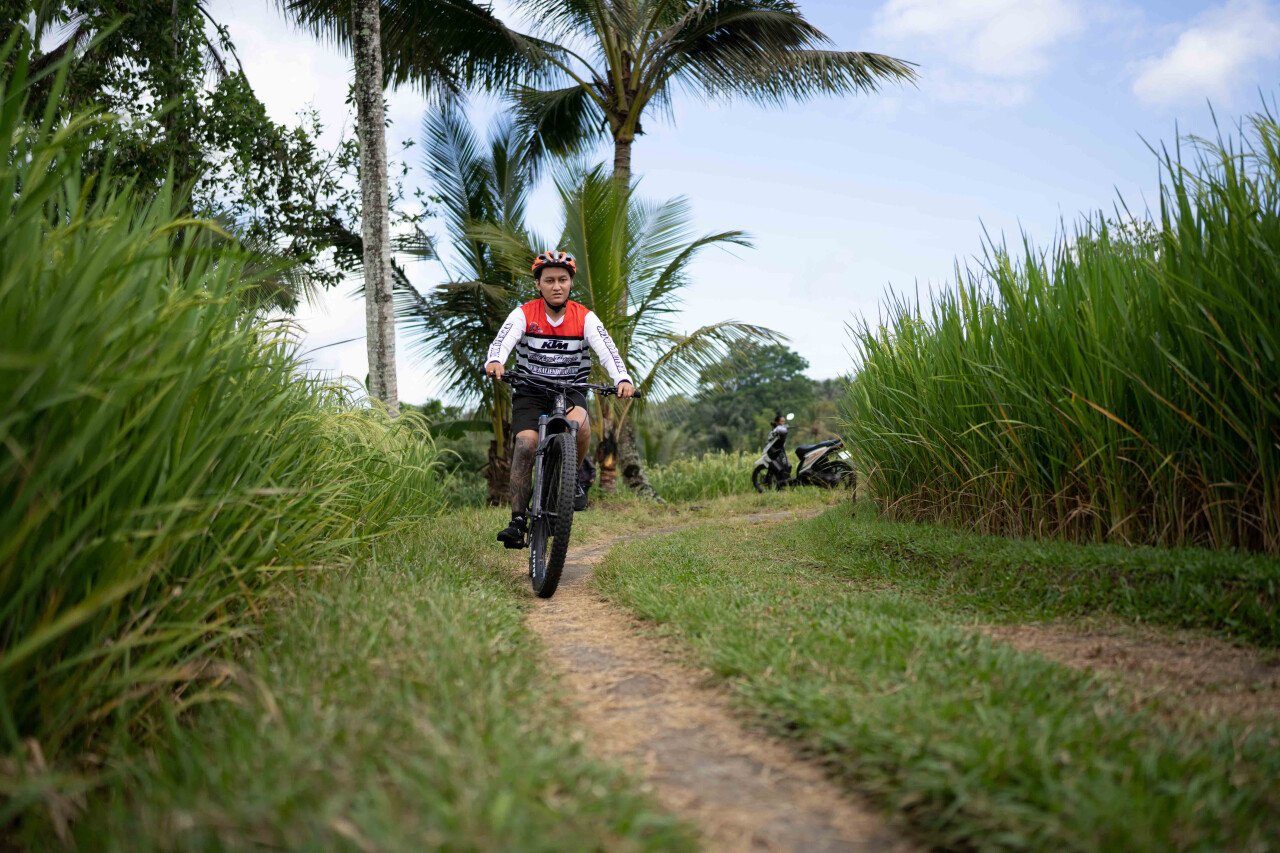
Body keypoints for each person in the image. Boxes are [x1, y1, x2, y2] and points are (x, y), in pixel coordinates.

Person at [484, 250, 635, 547]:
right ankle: (517, 520)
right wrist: (496, 361)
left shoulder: (585, 317)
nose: (556, 286)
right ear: (538, 284)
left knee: (579, 425)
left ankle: (573, 479)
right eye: (549, 280)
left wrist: (622, 378)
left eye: (562, 280)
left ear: (570, 284)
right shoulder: (524, 314)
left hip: (570, 389)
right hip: (530, 390)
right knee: (526, 444)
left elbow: (608, 350)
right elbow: (502, 341)